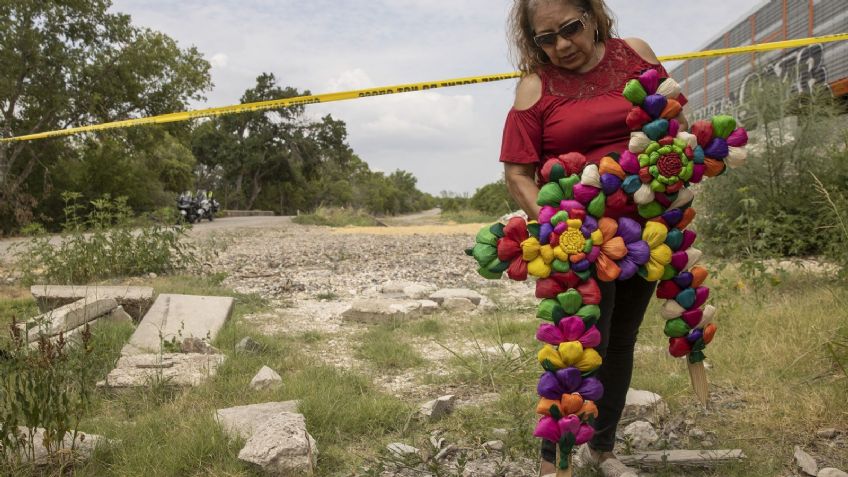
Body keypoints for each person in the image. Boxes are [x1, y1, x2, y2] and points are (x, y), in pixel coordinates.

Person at [501, 1, 688, 476]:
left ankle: (602, 450)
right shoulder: (534, 87)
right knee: (581, 345)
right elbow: (518, 173)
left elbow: (673, 124)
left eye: (571, 28)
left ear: (592, 15)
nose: (562, 45)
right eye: (547, 38)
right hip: (578, 243)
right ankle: (554, 463)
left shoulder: (637, 54)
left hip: (647, 232)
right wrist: (559, 224)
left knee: (620, 340)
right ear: (533, 41)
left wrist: (674, 164)